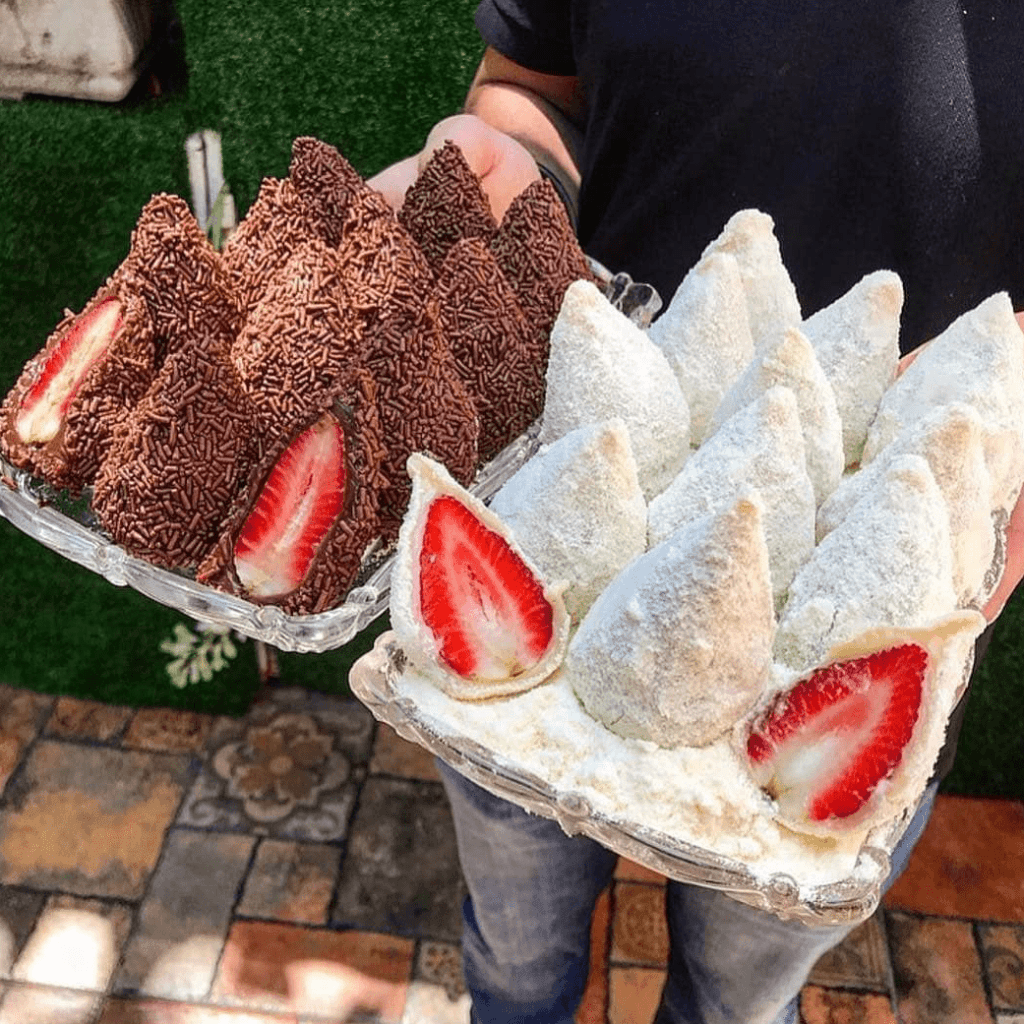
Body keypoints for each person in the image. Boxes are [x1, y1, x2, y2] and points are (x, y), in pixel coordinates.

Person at [368, 3, 1024, 1022]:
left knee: (730, 1001)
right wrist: (509, 166)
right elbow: (537, 90)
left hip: (850, 642)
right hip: (552, 559)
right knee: (516, 960)